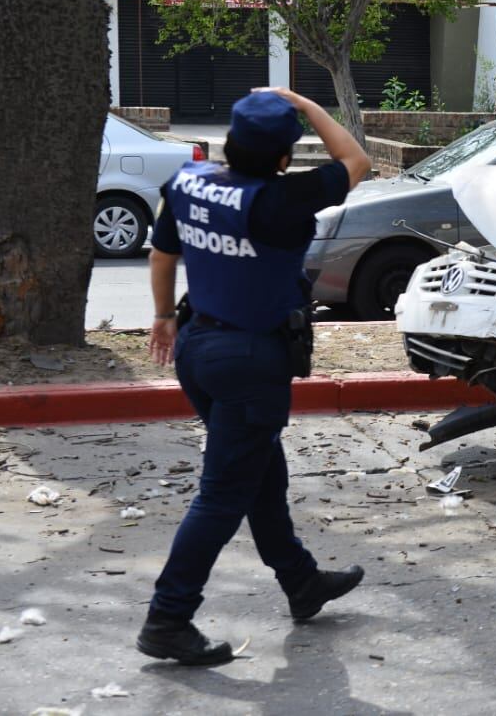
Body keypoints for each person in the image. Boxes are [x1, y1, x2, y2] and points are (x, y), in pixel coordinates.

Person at [137, 87, 373, 666]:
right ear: (284, 156)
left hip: (196, 347)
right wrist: (309, 104)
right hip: (249, 362)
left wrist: (164, 318)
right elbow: (357, 160)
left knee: (260, 473)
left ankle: (302, 582)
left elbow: (162, 255)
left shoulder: (189, 183)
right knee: (222, 495)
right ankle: (168, 617)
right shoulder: (282, 199)